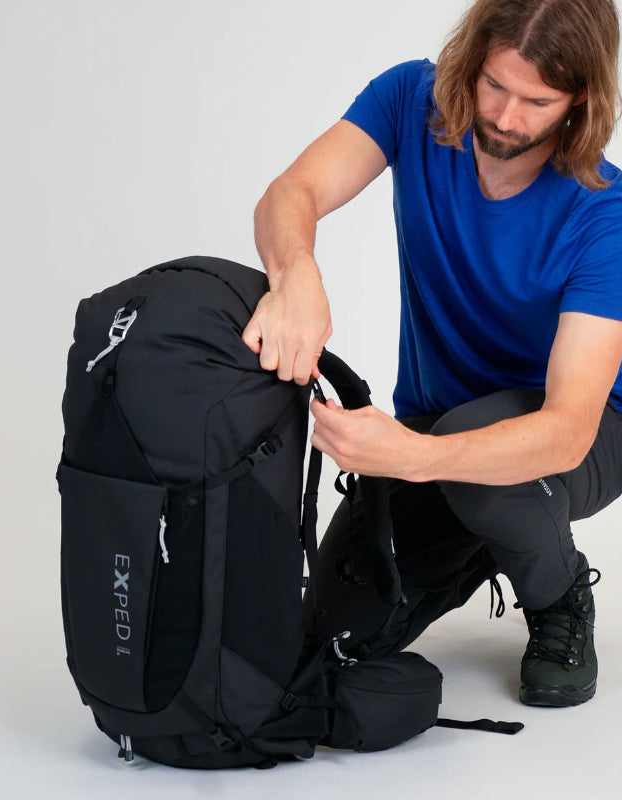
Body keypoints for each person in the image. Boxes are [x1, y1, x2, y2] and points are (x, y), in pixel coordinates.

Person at [244, 0, 622, 707]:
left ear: (580, 101)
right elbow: (289, 193)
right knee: (332, 634)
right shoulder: (409, 99)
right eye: (494, 85)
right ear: (471, 60)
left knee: (479, 466)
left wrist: (410, 459)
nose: (507, 118)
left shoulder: (605, 216)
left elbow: (570, 427)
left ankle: (557, 591)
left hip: (590, 434)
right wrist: (297, 273)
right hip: (438, 422)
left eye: (537, 101)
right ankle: (492, 527)